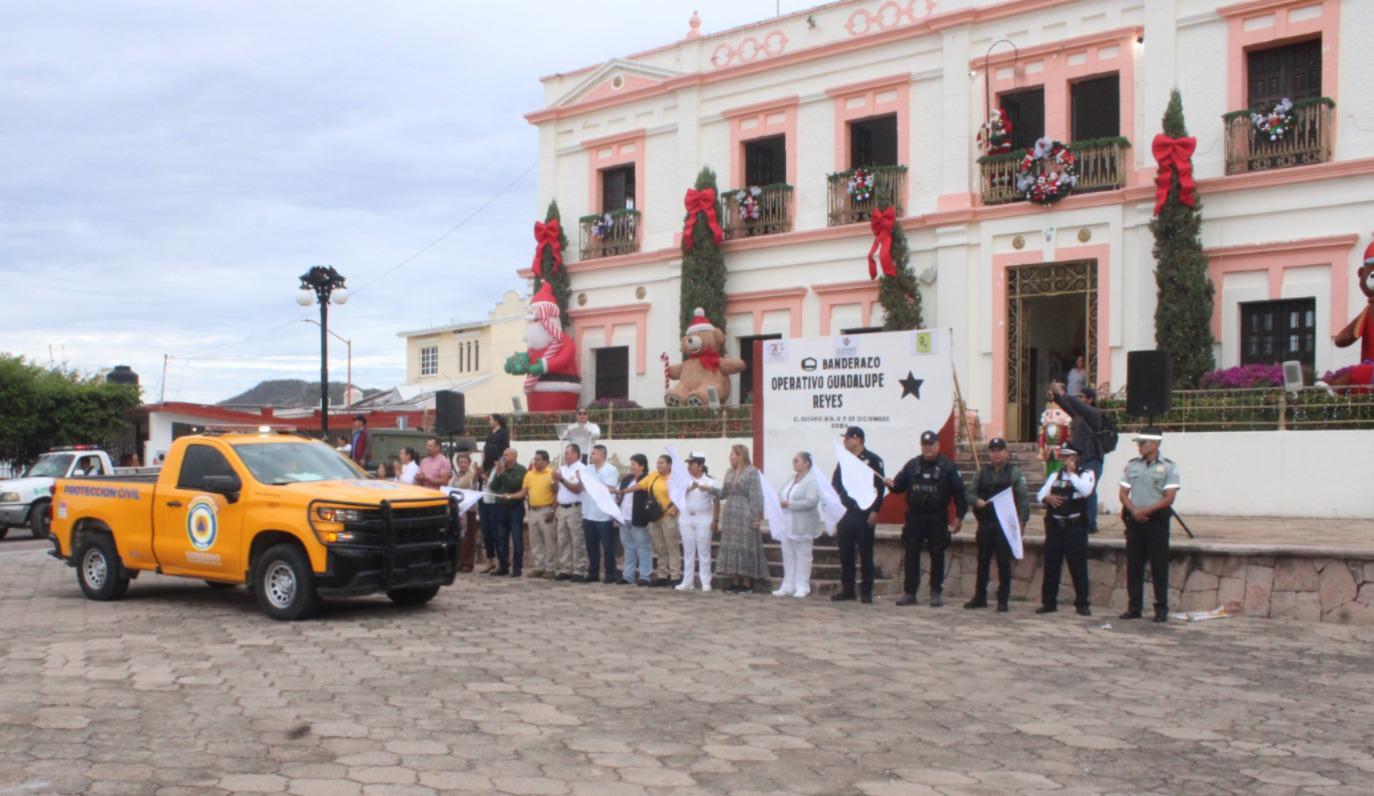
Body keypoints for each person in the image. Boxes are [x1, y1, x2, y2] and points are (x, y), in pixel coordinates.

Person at [886, 430, 969, 607]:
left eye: (931, 444)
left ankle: (935, 592)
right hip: (915, 516)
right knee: (911, 554)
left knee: (937, 554)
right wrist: (891, 485)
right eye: (925, 445)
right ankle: (910, 593)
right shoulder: (912, 465)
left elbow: (960, 493)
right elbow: (899, 486)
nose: (928, 448)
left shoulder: (948, 467)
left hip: (937, 516)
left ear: (938, 445)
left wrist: (959, 517)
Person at [1118, 427, 1180, 623]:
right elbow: (1123, 493)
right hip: (1135, 520)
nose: (1139, 447)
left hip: (1156, 521)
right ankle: (1134, 607)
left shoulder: (1169, 467)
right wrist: (1134, 510)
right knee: (1134, 565)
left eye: (1143, 443)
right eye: (1138, 443)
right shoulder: (1132, 466)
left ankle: (1161, 608)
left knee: (1159, 566)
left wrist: (1146, 511)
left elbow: (1169, 498)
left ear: (1155, 444)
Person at [965, 437, 1029, 612]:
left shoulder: (1013, 472)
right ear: (989, 453)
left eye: (1000, 450)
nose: (997, 453)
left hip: (1004, 525)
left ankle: (1003, 599)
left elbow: (1023, 497)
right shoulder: (982, 472)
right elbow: (969, 494)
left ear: (1006, 453)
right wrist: (976, 501)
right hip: (986, 521)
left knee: (1003, 561)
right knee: (982, 560)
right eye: (993, 450)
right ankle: (980, 596)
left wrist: (1023, 521)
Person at [1036, 444, 1095, 616]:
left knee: (1078, 567)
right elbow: (1040, 495)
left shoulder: (1086, 474)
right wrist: (1048, 497)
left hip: (1075, 527)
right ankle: (1049, 602)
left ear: (1077, 458)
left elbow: (1086, 491)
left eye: (1069, 457)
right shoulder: (1055, 475)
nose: (1065, 460)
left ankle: (1082, 603)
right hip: (1056, 527)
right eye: (1064, 457)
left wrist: (1072, 475)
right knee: (1051, 566)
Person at [831, 426, 885, 604]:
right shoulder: (844, 460)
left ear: (858, 440)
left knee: (865, 553)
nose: (844, 441)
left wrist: (875, 510)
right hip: (847, 512)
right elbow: (836, 483)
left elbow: (879, 487)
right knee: (846, 553)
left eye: (847, 438)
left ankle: (867, 591)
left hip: (864, 513)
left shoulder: (873, 460)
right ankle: (848, 589)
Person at [712, 444, 768, 593]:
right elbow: (724, 493)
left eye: (732, 454)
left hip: (745, 513)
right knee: (732, 546)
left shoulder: (751, 471)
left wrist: (756, 517)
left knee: (745, 546)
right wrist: (709, 489)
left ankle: (747, 582)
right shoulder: (729, 472)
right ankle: (735, 580)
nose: (730, 457)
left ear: (740, 455)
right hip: (731, 514)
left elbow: (756, 495)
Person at [1049, 382, 1105, 533]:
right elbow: (1068, 406)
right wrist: (1056, 395)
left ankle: (1091, 524)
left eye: (1082, 397)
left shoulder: (1093, 414)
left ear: (1090, 400)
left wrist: (1063, 393)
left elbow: (1074, 405)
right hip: (1079, 459)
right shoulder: (1078, 415)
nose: (1079, 399)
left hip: (1092, 458)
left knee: (1089, 490)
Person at [620, 455, 681, 587]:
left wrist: (676, 507)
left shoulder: (675, 478)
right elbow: (639, 486)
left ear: (669, 465)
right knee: (659, 547)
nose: (659, 465)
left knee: (672, 546)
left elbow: (682, 494)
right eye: (658, 462)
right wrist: (623, 491)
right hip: (655, 517)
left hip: (668, 516)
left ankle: (675, 575)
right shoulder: (654, 476)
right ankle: (662, 575)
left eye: (662, 463)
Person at [776, 452, 821, 599]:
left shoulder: (812, 480)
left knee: (803, 556)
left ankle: (803, 586)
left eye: (797, 460)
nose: (794, 463)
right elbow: (780, 493)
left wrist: (789, 504)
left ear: (806, 463)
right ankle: (788, 585)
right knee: (788, 555)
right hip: (787, 523)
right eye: (793, 461)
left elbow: (811, 501)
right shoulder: (791, 479)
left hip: (803, 524)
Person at [580, 444, 622, 584]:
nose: (591, 456)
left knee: (608, 547)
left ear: (602, 455)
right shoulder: (587, 469)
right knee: (591, 546)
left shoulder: (610, 470)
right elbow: (583, 485)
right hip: (588, 513)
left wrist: (593, 484)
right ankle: (593, 572)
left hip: (603, 515)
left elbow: (609, 488)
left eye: (594, 454)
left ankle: (610, 573)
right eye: (591, 454)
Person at [511, 450, 556, 579]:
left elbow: (557, 494)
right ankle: (539, 567)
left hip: (546, 510)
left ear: (546, 461)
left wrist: (553, 510)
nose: (535, 461)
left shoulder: (552, 473)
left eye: (538, 459)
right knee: (535, 541)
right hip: (533, 511)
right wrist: (510, 496)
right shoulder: (529, 474)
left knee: (549, 540)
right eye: (534, 459)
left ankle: (550, 568)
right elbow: (523, 492)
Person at [550, 444, 591, 582]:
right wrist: (555, 481)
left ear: (576, 454)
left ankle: (579, 569)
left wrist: (561, 479)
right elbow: (557, 490)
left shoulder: (582, 469)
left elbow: (577, 489)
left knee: (577, 540)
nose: (565, 455)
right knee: (563, 540)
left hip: (575, 509)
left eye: (567, 453)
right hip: (562, 508)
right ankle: (565, 568)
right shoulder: (562, 469)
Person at [677, 452, 718, 592]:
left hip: (704, 518)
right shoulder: (684, 480)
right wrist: (689, 489)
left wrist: (715, 519)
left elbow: (716, 500)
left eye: (692, 464)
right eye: (688, 464)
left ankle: (705, 581)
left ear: (700, 466)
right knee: (688, 551)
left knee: (704, 551)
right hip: (686, 517)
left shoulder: (710, 481)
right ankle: (687, 581)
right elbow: (676, 497)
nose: (689, 466)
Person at [478, 414, 510, 574]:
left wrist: (485, 475)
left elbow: (495, 485)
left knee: (496, 531)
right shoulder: (485, 467)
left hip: (495, 503)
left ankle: (499, 561)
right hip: (484, 500)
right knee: (486, 530)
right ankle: (490, 559)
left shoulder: (499, 468)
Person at [488, 447, 527, 577]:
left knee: (516, 539)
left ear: (514, 457)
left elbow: (515, 485)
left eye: (506, 455)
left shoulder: (520, 470)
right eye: (503, 455)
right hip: (501, 508)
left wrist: (503, 474)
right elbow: (493, 487)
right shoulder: (499, 469)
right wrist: (498, 475)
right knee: (501, 538)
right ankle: (503, 566)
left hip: (515, 508)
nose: (503, 457)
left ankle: (517, 567)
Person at [618, 454, 655, 586]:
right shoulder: (627, 479)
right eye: (631, 463)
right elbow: (620, 494)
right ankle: (628, 575)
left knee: (643, 547)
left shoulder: (648, 479)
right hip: (624, 518)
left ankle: (645, 575)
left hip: (639, 518)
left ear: (642, 466)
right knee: (628, 547)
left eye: (634, 464)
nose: (631, 466)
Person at [449, 452, 479, 572]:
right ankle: (459, 561)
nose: (463, 464)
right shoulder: (456, 475)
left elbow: (474, 487)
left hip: (469, 509)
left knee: (469, 536)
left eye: (465, 462)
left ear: (469, 463)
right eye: (460, 462)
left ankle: (468, 562)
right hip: (458, 509)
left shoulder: (472, 475)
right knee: (459, 536)